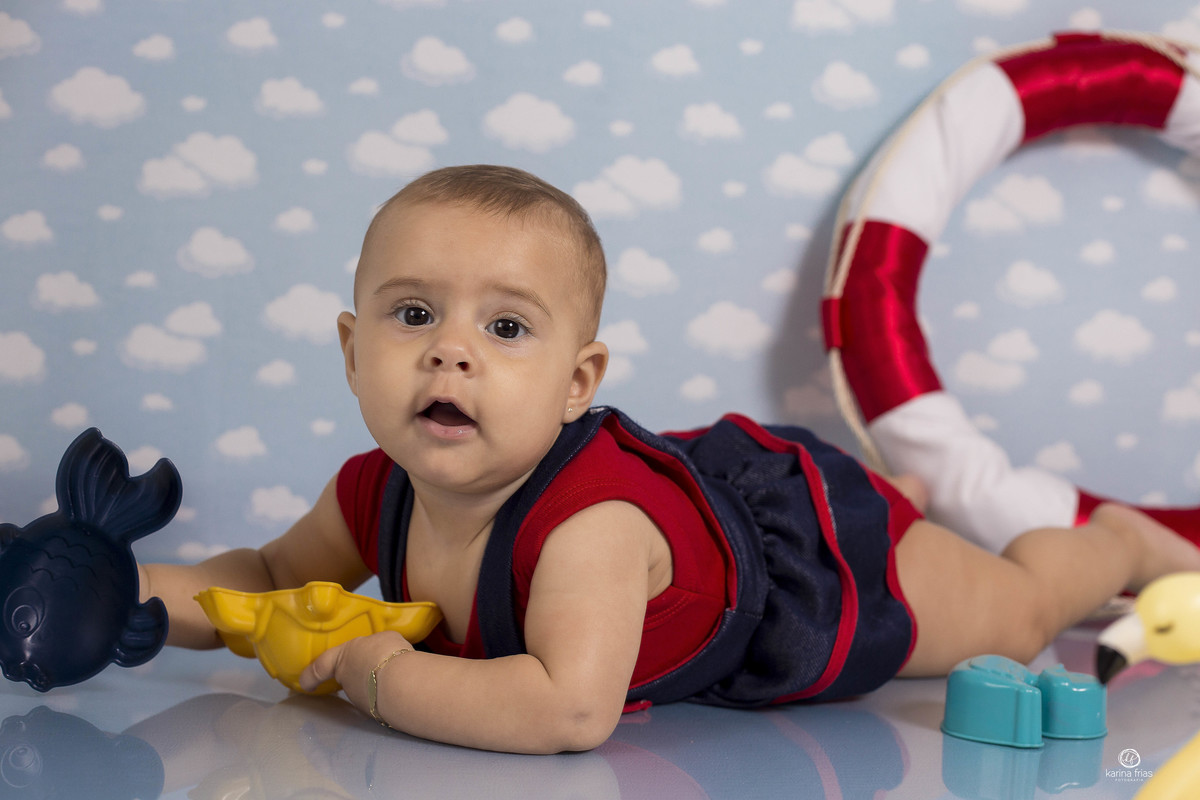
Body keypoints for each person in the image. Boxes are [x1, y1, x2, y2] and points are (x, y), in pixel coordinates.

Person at [139, 164, 1200, 755]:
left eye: (507, 329)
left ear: (576, 383)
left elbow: (568, 707)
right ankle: (902, 497)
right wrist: (128, 596)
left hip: (803, 575)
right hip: (696, 506)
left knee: (1013, 612)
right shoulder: (373, 492)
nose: (450, 347)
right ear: (352, 350)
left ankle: (1108, 542)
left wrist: (381, 675)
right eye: (413, 313)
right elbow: (271, 579)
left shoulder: (587, 534)